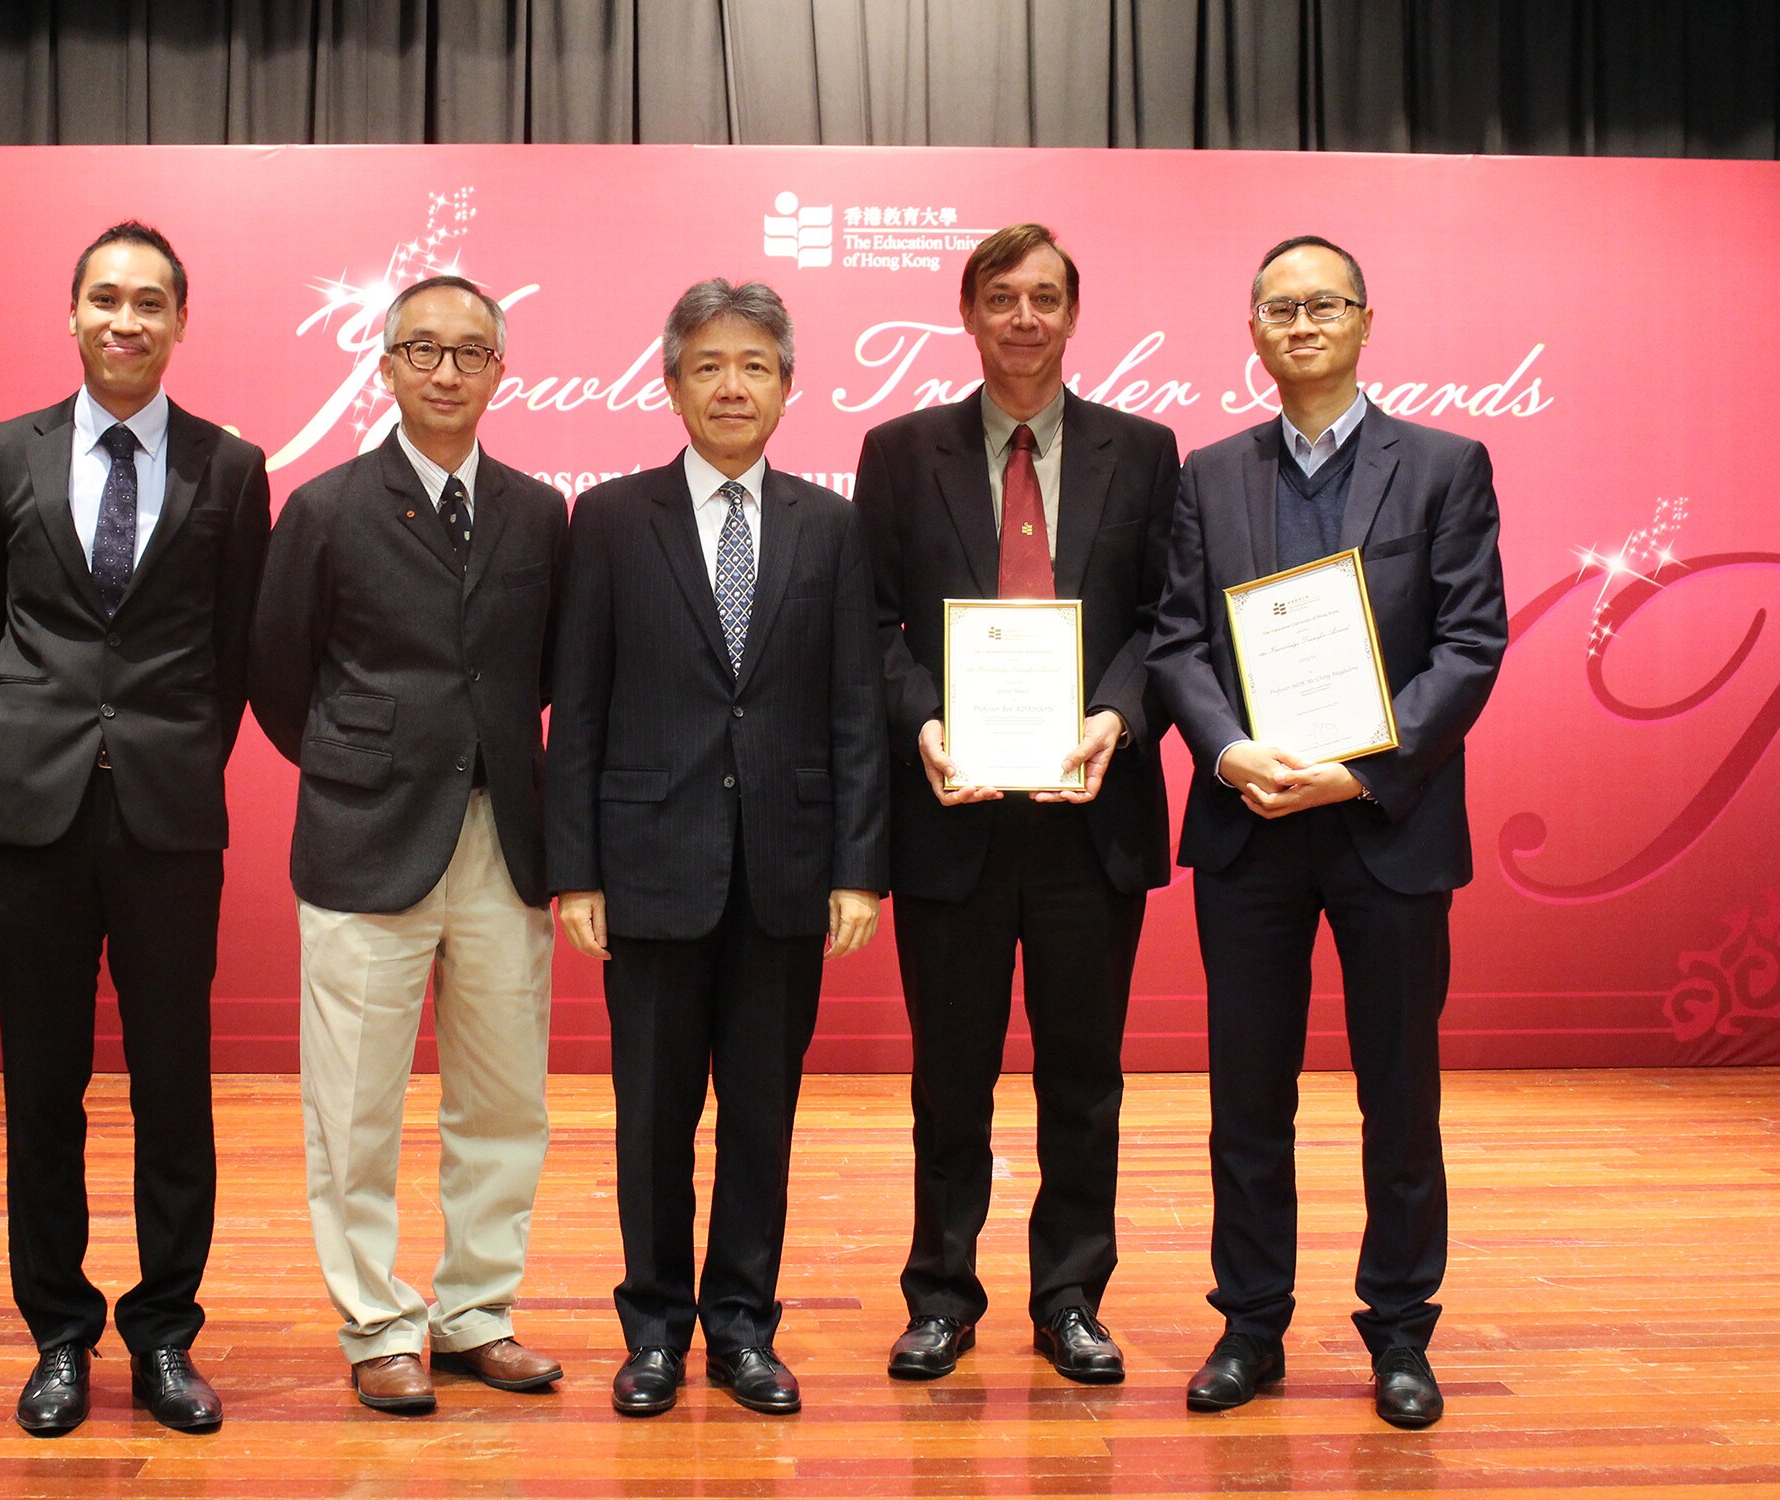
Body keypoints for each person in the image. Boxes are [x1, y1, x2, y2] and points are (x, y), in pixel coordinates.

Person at [1147, 235, 1508, 1429]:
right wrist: (1226, 750)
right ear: (1249, 332)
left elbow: (1469, 645)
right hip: (1248, 823)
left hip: (1383, 827)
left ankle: (1399, 1331)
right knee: (1247, 1095)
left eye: (1323, 304)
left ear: (1362, 320)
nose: (1300, 323)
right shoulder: (1206, 474)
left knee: (1396, 1096)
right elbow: (1177, 644)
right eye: (1277, 308)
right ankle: (1250, 1327)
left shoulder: (1446, 465)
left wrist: (1357, 771)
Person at [0, 221, 270, 1435]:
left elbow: (235, 646)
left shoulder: (229, 466)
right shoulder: (0, 453)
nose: (124, 320)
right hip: (32, 814)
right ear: (72, 313)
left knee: (172, 1088)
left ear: (182, 321)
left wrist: (170, 751)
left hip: (169, 816)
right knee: (44, 1085)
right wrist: (35, 741)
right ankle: (59, 1336)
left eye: (149, 302)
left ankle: (166, 1335)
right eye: (104, 298)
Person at [546, 278, 887, 1417]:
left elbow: (852, 708)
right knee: (649, 1117)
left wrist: (856, 866)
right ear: (670, 383)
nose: (731, 385)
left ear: (788, 386)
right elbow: (577, 706)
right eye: (708, 364)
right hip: (646, 865)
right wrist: (576, 866)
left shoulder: (831, 526)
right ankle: (652, 1331)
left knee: (760, 1110)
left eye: (754, 365)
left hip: (787, 868)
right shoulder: (606, 518)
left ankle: (744, 1326)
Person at [852, 224, 1178, 1384]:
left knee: (1082, 1075)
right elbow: (875, 623)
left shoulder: (1143, 452)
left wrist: (1114, 719)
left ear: (1072, 314)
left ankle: (1071, 1294)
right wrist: (924, 728)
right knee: (950, 1073)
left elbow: (1160, 621)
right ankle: (940, 1293)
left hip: (1093, 815)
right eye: (1003, 297)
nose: (1025, 317)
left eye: (1045, 297)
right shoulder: (898, 452)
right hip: (951, 808)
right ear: (968, 312)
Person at [248, 275, 569, 1414]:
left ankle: (477, 1309)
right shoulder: (326, 509)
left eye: (469, 353)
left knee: (502, 1097)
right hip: (366, 836)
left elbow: (548, 676)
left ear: (499, 371)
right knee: (354, 1104)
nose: (445, 371)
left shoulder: (540, 514)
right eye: (422, 351)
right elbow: (279, 677)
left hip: (503, 840)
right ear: (383, 368)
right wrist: (365, 757)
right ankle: (377, 1321)